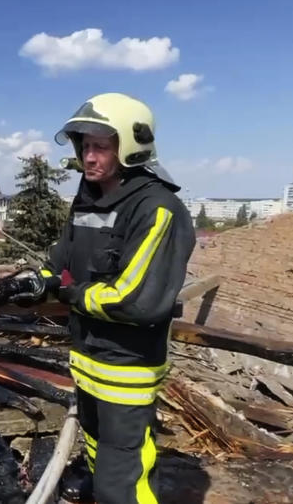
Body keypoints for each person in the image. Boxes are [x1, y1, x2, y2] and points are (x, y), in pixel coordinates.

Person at [37, 93, 195, 504]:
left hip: (126, 368)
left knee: (123, 476)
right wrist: (38, 280)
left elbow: (138, 298)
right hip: (88, 358)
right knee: (94, 445)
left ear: (130, 146)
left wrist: (71, 294)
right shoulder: (88, 199)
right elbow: (64, 256)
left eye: (100, 147)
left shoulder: (158, 208)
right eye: (85, 146)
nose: (89, 157)